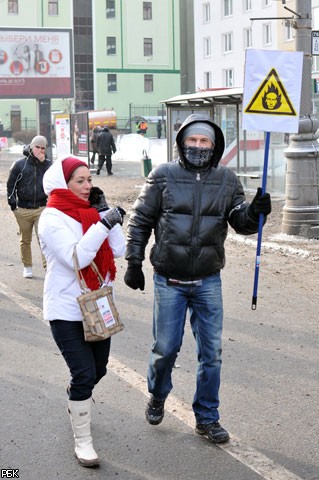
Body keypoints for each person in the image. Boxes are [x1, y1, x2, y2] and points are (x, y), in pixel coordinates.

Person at [124, 113, 271, 444]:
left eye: (205, 141)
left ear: (214, 145)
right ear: (181, 142)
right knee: (165, 349)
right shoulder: (162, 176)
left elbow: (241, 223)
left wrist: (257, 211)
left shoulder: (227, 180)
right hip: (169, 280)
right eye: (192, 139)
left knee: (212, 353)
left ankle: (207, 417)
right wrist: (133, 260)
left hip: (207, 280)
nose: (198, 146)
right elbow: (140, 221)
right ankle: (158, 394)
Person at [38, 157, 126, 467]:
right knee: (85, 373)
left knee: (98, 370)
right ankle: (83, 442)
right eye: (80, 181)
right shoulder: (50, 219)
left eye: (90, 179)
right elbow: (77, 257)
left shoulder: (90, 212)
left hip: (98, 305)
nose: (88, 186)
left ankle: (77, 395)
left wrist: (105, 216)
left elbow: (118, 250)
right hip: (65, 310)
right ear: (64, 184)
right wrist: (102, 223)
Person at [6, 135, 52, 278]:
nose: (39, 150)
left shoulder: (49, 165)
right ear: (31, 147)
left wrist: (44, 164)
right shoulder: (20, 164)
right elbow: (11, 185)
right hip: (23, 209)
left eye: (43, 148)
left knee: (44, 239)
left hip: (41, 208)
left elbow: (54, 183)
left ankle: (48, 269)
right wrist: (13, 204)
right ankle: (27, 266)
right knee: (25, 239)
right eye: (37, 147)